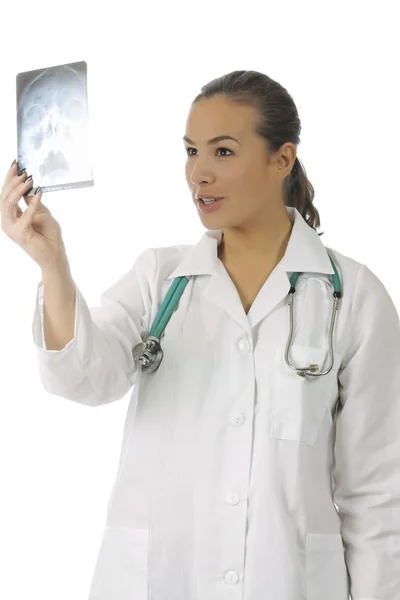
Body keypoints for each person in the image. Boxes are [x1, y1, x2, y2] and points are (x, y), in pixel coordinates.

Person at [1, 69, 400, 600]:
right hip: (161, 580)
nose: (199, 174)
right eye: (191, 151)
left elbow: (377, 497)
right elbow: (81, 378)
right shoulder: (160, 279)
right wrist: (53, 266)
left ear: (282, 158)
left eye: (224, 152)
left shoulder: (352, 296)